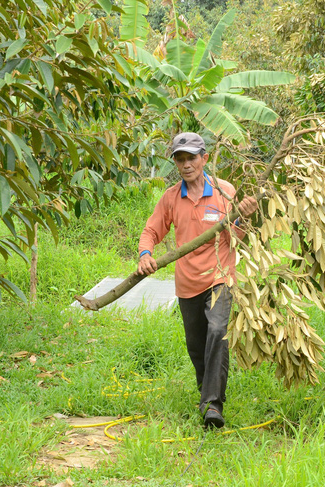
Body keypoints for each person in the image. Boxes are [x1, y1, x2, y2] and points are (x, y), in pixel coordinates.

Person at [137, 132, 258, 428]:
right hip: (187, 283)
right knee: (197, 345)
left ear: (204, 158)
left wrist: (242, 218)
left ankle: (213, 405)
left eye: (192, 157)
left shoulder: (224, 191)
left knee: (218, 331)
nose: (186, 164)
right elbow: (151, 231)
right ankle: (206, 396)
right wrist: (145, 254)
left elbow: (239, 238)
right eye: (180, 159)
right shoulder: (170, 198)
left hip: (220, 277)